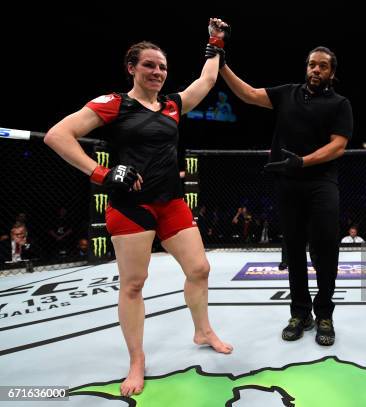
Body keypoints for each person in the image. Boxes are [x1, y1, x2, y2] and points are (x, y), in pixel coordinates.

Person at [44, 19, 232, 397]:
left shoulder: (173, 105)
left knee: (200, 268)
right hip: (130, 207)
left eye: (162, 67)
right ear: (132, 68)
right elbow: (57, 135)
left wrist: (216, 40)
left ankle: (202, 329)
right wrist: (101, 173)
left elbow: (207, 80)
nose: (157, 72)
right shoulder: (114, 104)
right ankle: (136, 359)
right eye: (149, 65)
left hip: (171, 202)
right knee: (133, 284)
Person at [215, 45, 353, 346]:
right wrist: (223, 65)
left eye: (322, 66)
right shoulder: (286, 93)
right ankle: (300, 313)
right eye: (311, 65)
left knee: (325, 249)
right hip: (289, 183)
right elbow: (249, 94)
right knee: (293, 250)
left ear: (332, 72)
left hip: (322, 182)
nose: (315, 70)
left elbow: (338, 145)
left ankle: (325, 314)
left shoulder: (340, 103)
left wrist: (303, 161)